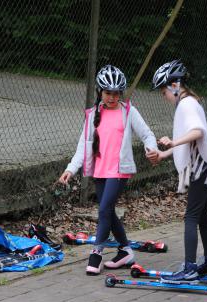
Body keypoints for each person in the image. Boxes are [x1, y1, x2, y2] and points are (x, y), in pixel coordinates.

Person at [58, 65, 158, 275]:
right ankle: (126, 251)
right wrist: (70, 169)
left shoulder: (128, 111)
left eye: (116, 93)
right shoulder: (92, 114)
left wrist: (152, 149)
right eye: (107, 93)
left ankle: (97, 253)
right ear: (100, 92)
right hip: (100, 170)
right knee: (108, 211)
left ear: (121, 93)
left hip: (119, 170)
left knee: (103, 210)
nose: (112, 97)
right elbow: (82, 147)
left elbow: (148, 135)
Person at [146, 59, 207, 283]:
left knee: (191, 217)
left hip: (203, 168)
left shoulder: (186, 104)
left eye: (164, 92)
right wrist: (164, 154)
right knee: (202, 218)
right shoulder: (190, 102)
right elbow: (191, 140)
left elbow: (197, 132)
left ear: (174, 86)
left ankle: (190, 268)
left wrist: (171, 143)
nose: (164, 97)